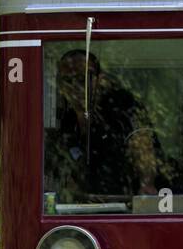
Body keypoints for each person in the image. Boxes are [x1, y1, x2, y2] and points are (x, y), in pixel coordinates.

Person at [45, 50, 159, 205]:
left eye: (82, 79)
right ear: (60, 85)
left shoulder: (122, 108)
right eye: (68, 80)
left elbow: (143, 147)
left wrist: (147, 186)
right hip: (75, 210)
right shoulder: (58, 118)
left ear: (100, 79)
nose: (76, 86)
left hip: (125, 206)